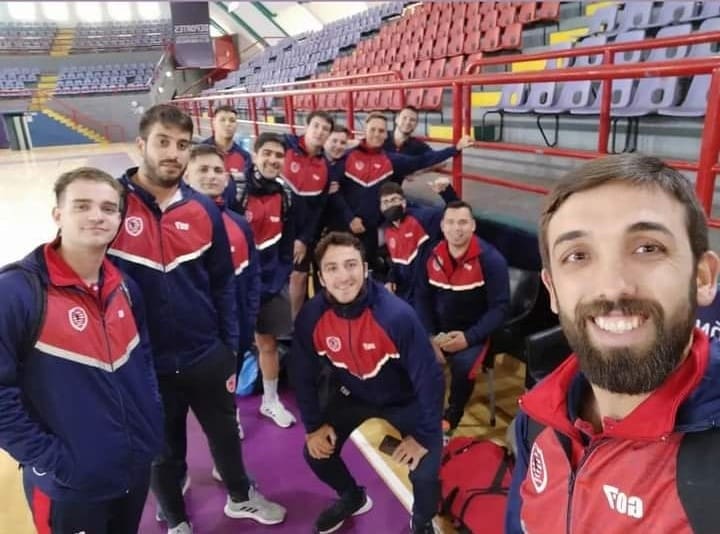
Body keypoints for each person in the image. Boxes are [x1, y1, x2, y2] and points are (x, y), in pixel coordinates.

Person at [506, 154, 720, 533]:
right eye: (577, 256)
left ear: (702, 277)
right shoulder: (537, 418)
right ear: (552, 290)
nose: (612, 286)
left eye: (647, 248)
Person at [108, 104, 285, 534]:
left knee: (225, 434)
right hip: (145, 363)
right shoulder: (111, 205)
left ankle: (241, 498)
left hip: (206, 354)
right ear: (141, 144)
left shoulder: (204, 210)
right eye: (163, 142)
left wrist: (229, 347)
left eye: (182, 144)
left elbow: (224, 284)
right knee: (163, 450)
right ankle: (176, 520)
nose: (173, 153)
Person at [0, 167, 163, 534]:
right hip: (69, 487)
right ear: (58, 214)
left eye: (108, 208)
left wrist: (150, 424)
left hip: (132, 470)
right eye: (82, 205)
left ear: (119, 219)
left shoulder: (125, 287)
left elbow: (144, 363)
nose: (96, 216)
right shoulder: (16, 293)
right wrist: (53, 461)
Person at [291, 231, 445, 534]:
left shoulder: (396, 316)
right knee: (316, 453)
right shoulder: (312, 316)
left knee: (425, 473)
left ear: (365, 269)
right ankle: (353, 497)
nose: (343, 277)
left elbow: (430, 379)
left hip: (405, 400)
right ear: (320, 277)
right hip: (352, 394)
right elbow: (301, 373)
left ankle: (422, 521)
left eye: (351, 265)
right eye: (332, 268)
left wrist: (423, 436)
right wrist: (313, 426)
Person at [329, 112, 473, 272]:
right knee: (338, 267)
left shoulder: (391, 160)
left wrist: (455, 148)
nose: (376, 134)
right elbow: (334, 191)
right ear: (365, 131)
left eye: (381, 131)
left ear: (386, 135)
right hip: (343, 225)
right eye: (373, 129)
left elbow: (422, 160)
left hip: (370, 230)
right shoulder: (347, 156)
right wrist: (350, 219)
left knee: (364, 269)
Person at [184, 143, 261, 439]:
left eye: (218, 170)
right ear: (186, 175)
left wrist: (248, 320)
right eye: (202, 169)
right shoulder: (174, 225)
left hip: (235, 329)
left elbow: (251, 277)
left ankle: (230, 418)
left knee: (229, 381)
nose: (211, 176)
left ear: (227, 178)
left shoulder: (239, 223)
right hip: (196, 334)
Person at [416, 200, 510, 433]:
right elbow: (422, 297)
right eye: (450, 222)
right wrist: (430, 335)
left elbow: (500, 309)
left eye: (462, 222)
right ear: (442, 226)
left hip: (474, 333)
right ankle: (424, 409)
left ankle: (453, 415)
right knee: (415, 355)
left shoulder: (492, 260)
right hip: (437, 330)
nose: (456, 228)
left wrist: (468, 338)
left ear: (473, 226)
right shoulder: (430, 254)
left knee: (462, 366)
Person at [230, 132, 298, 428]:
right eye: (266, 153)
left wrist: (276, 280)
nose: (272, 160)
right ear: (254, 156)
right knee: (232, 350)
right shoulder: (236, 189)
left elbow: (288, 245)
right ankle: (230, 412)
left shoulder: (286, 194)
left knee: (268, 344)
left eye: (278, 155)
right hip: (237, 285)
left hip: (270, 284)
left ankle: (270, 401)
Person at [282, 110, 335, 321]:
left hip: (301, 234)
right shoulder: (285, 147)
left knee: (299, 277)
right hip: (275, 228)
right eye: (316, 126)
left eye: (325, 129)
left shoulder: (325, 167)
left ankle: (294, 325)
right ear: (306, 127)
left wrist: (303, 239)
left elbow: (318, 209)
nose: (320, 132)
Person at [379, 178, 458, 306]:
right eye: (385, 202)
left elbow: (455, 214)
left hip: (429, 293)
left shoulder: (423, 218)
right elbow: (396, 262)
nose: (390, 205)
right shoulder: (387, 230)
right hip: (405, 293)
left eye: (394, 200)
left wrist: (446, 192)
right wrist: (391, 279)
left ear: (403, 202)